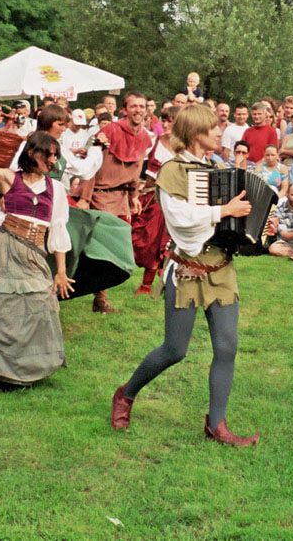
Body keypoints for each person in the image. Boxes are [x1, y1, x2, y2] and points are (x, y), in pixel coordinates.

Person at [110, 104, 260, 446]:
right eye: (212, 128)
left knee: (227, 347)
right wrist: (223, 210)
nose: (220, 132)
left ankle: (217, 425)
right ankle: (126, 394)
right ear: (195, 133)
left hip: (220, 268)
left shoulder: (217, 169)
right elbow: (180, 220)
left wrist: (258, 225)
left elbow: (231, 222)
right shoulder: (172, 171)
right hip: (187, 269)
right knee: (174, 350)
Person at [0, 132, 74, 388]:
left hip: (34, 252)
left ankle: (28, 368)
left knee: (38, 304)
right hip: (5, 247)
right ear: (32, 153)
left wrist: (61, 272)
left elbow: (59, 229)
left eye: (55, 156)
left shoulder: (56, 189)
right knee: (1, 308)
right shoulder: (9, 178)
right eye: (48, 155)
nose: (52, 161)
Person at [88, 91, 152, 313]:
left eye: (142, 106)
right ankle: (98, 298)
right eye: (134, 106)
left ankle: (100, 298)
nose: (138, 110)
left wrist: (134, 196)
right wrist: (84, 198)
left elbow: (136, 168)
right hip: (101, 195)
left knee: (118, 248)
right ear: (124, 110)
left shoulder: (144, 136)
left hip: (123, 197)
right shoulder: (109, 131)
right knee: (100, 249)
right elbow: (91, 165)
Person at [133, 106, 178, 296]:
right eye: (164, 121)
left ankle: (156, 282)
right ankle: (148, 283)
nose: (165, 125)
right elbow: (137, 164)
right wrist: (135, 189)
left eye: (170, 121)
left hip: (173, 198)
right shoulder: (153, 141)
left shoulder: (185, 146)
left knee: (164, 240)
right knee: (145, 239)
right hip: (150, 196)